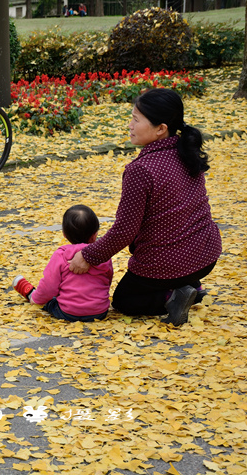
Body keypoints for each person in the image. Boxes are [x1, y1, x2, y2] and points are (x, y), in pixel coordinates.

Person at [68, 88, 221, 326]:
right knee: (171, 264)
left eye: (136, 120)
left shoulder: (141, 170)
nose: (130, 125)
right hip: (206, 255)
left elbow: (124, 231)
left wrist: (88, 256)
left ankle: (174, 295)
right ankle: (192, 286)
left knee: (125, 301)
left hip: (167, 264)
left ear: (161, 129)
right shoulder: (186, 152)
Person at [12, 205, 113, 322]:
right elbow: (108, 279)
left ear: (64, 234)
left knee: (50, 301)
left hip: (67, 312)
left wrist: (37, 299)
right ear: (95, 235)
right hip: (99, 312)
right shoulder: (102, 255)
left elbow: (49, 286)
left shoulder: (61, 255)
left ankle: (31, 294)